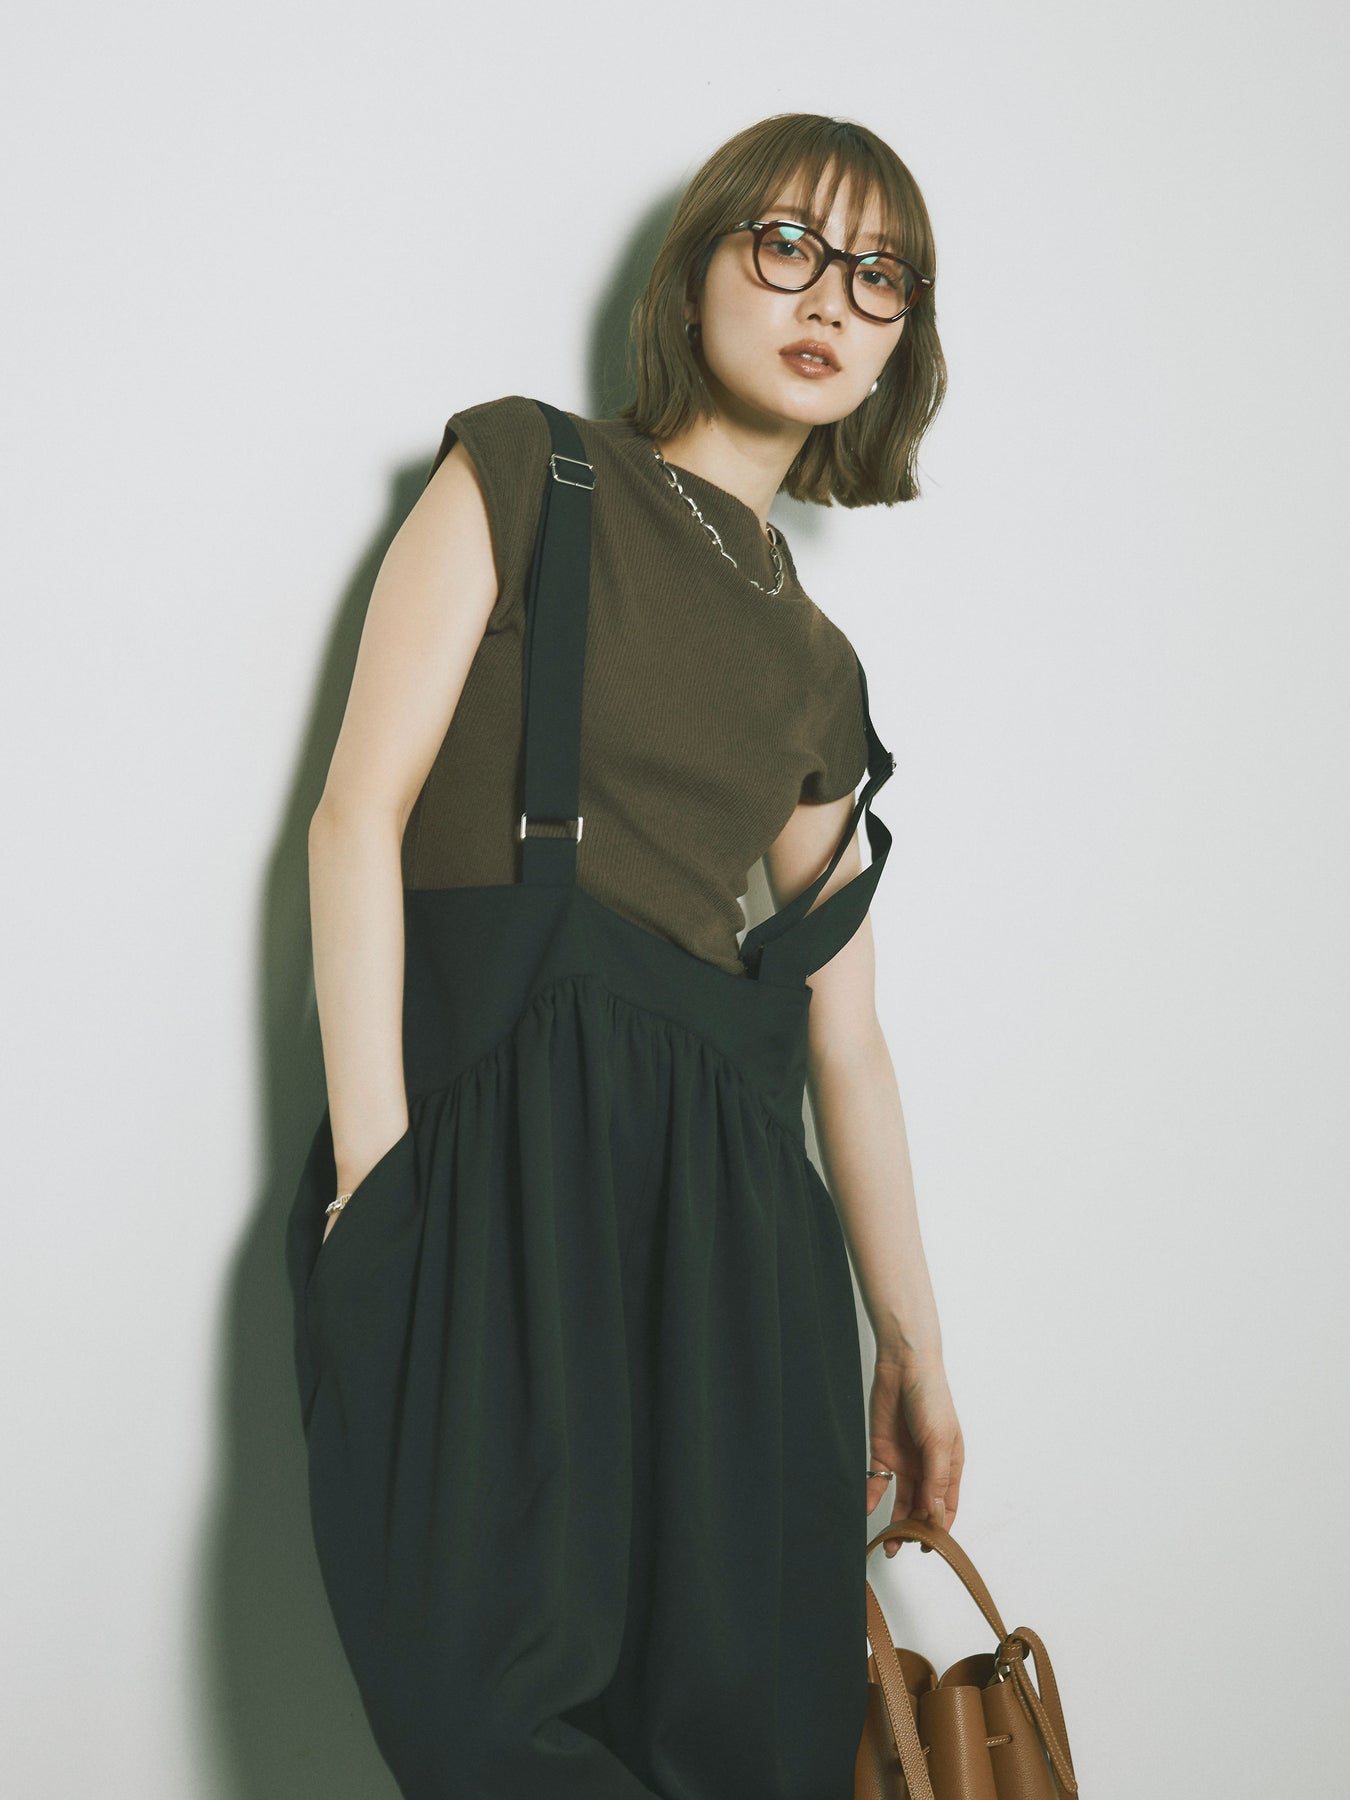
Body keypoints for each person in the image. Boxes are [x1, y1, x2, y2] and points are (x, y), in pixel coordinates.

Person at [285, 110, 964, 1799]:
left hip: (728, 1223)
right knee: (481, 1704)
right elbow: (356, 815)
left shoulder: (818, 662)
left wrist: (911, 1344)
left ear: (899, 338)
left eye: (879, 275)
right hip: (498, 1162)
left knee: (745, 1736)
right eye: (787, 244)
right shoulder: (531, 471)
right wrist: (375, 1184)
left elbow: (845, 1033)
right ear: (698, 268)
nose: (830, 296)